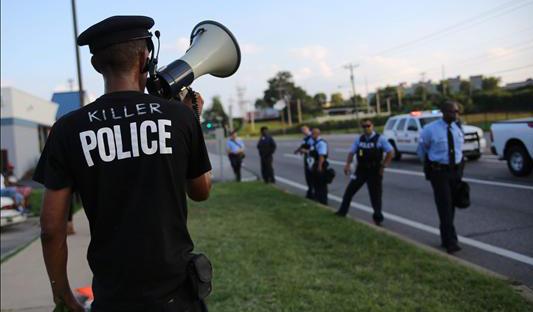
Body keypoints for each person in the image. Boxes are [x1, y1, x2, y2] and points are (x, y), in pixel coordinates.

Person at [33, 16, 212, 311]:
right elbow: (201, 190)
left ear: (95, 65)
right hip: (176, 296)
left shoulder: (67, 129)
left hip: (113, 297)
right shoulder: (179, 117)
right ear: (145, 58)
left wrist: (61, 291)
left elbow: (51, 227)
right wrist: (193, 118)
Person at [417, 101, 464, 254]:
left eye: (457, 112)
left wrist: (460, 168)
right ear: (443, 112)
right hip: (439, 172)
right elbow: (422, 150)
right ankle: (451, 242)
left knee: (451, 206)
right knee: (444, 206)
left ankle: (445, 238)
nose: (455, 114)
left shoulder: (458, 127)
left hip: (455, 171)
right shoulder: (430, 130)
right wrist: (430, 167)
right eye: (452, 112)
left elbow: (459, 150)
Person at [335, 119, 393, 225]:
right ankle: (342, 212)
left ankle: (378, 219)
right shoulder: (359, 139)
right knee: (349, 191)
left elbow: (390, 152)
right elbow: (352, 152)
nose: (366, 128)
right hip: (361, 170)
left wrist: (383, 166)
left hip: (374, 171)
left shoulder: (380, 139)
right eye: (364, 126)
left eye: (368, 126)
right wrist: (347, 164)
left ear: (372, 126)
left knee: (375, 196)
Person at [308, 128, 329, 205]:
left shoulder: (321, 143)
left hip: (320, 165)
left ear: (317, 134)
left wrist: (319, 166)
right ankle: (317, 198)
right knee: (315, 183)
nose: (311, 135)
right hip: (314, 164)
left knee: (321, 184)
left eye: (313, 134)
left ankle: (323, 200)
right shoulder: (314, 142)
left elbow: (321, 156)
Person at [294, 125, 314, 198]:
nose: (303, 132)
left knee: (311, 176)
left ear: (307, 130)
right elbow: (303, 145)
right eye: (302, 131)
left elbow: (313, 149)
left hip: (312, 159)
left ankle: (312, 192)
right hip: (307, 158)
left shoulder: (312, 137)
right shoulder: (305, 138)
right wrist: (297, 150)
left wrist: (305, 151)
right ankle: (310, 191)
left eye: (304, 131)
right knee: (308, 176)